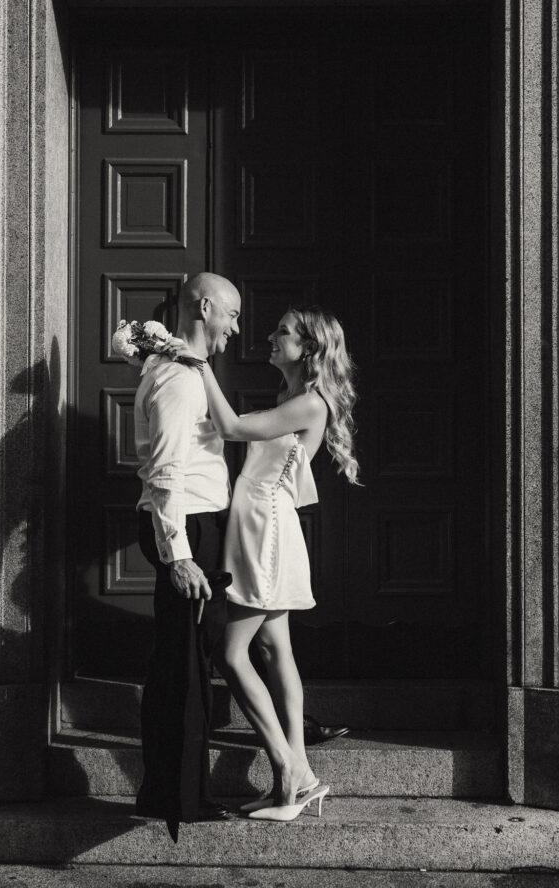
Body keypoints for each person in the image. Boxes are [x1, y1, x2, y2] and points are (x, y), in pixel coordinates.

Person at [199, 305, 360, 822]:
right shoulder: (290, 398)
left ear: (308, 348)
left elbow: (227, 427)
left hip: (264, 526)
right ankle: (296, 779)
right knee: (274, 648)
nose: (270, 335)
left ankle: (291, 768)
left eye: (282, 331)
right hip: (261, 520)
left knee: (231, 652)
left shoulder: (309, 405)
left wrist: (195, 361)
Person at [131, 272, 241, 841]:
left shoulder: (184, 371)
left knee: (182, 659)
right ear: (205, 307)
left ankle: (168, 791)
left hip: (196, 525)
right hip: (186, 528)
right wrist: (179, 556)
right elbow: (168, 470)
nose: (236, 327)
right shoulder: (177, 379)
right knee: (183, 668)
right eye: (232, 314)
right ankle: (181, 799)